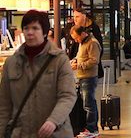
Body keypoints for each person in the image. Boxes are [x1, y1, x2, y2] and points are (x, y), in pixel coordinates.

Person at [0, 10, 77, 138]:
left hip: (54, 133)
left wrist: (53, 120)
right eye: (26, 28)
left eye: (35, 28)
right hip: (21, 133)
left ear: (45, 32)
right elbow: (4, 106)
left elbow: (68, 95)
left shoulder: (59, 60)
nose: (30, 32)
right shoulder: (11, 63)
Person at [71, 26, 101, 138]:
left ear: (83, 33)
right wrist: (75, 60)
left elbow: (94, 60)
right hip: (82, 77)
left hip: (89, 77)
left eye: (76, 37)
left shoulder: (92, 43)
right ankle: (90, 128)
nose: (76, 40)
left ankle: (92, 129)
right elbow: (81, 56)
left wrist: (78, 65)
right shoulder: (82, 43)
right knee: (87, 103)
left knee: (89, 104)